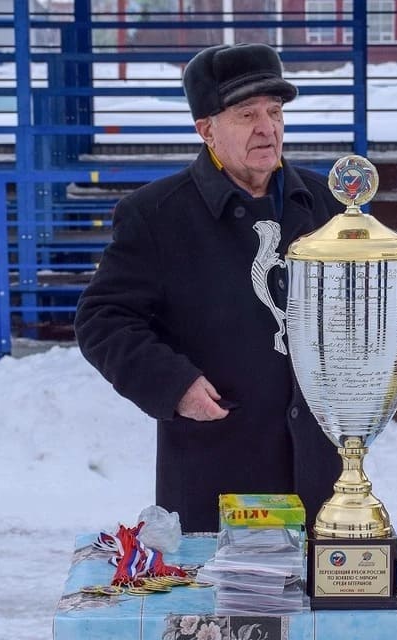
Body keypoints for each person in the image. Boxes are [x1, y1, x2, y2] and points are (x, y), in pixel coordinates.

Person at [74, 43, 344, 533]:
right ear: (206, 130)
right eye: (246, 115)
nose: (268, 128)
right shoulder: (156, 215)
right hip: (216, 468)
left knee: (321, 605)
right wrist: (173, 385)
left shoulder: (326, 202)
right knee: (226, 610)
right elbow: (102, 319)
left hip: (323, 473)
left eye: (275, 111)